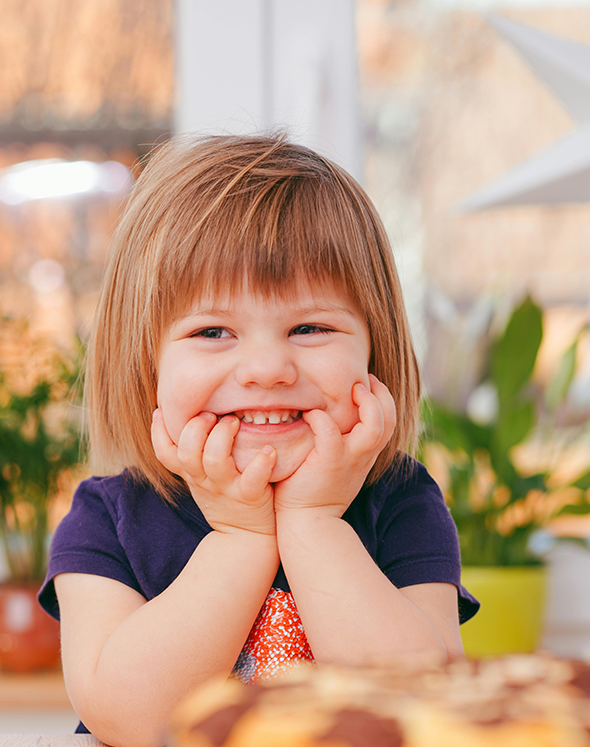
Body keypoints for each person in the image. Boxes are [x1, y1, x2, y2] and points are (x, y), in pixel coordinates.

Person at [36, 133, 479, 747]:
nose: (267, 368)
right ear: (146, 366)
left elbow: (419, 710)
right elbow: (130, 719)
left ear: (375, 351)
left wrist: (314, 524)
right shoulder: (108, 517)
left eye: (311, 326)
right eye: (214, 330)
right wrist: (242, 537)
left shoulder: (401, 501)